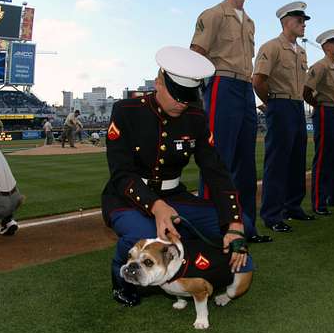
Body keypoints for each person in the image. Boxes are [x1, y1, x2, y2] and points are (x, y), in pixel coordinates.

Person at [101, 46, 253, 307]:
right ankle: (121, 275)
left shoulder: (195, 117)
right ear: (159, 81)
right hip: (127, 198)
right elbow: (121, 174)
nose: (182, 103)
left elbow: (215, 171)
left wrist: (235, 223)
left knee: (243, 224)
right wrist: (156, 206)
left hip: (175, 195)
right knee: (148, 234)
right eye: (176, 95)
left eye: (188, 97)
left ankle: (190, 267)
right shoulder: (127, 110)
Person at [190, 0, 268, 243]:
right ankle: (211, 228)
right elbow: (196, 53)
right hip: (221, 84)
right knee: (218, 159)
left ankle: (246, 226)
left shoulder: (249, 22)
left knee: (246, 162)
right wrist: (196, 96)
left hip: (245, 88)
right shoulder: (213, 15)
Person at [253, 2, 314, 233]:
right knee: (277, 163)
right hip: (280, 103)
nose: (303, 24)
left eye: (304, 21)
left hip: (297, 106)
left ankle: (293, 206)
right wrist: (272, 105)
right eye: (300, 20)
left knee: (297, 159)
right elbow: (258, 80)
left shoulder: (301, 51)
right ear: (286, 21)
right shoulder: (272, 47)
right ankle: (272, 214)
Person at [303, 29, 334, 215]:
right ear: (326, 46)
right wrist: (319, 106)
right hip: (326, 111)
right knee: (324, 158)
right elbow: (306, 91)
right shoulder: (320, 66)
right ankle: (319, 202)